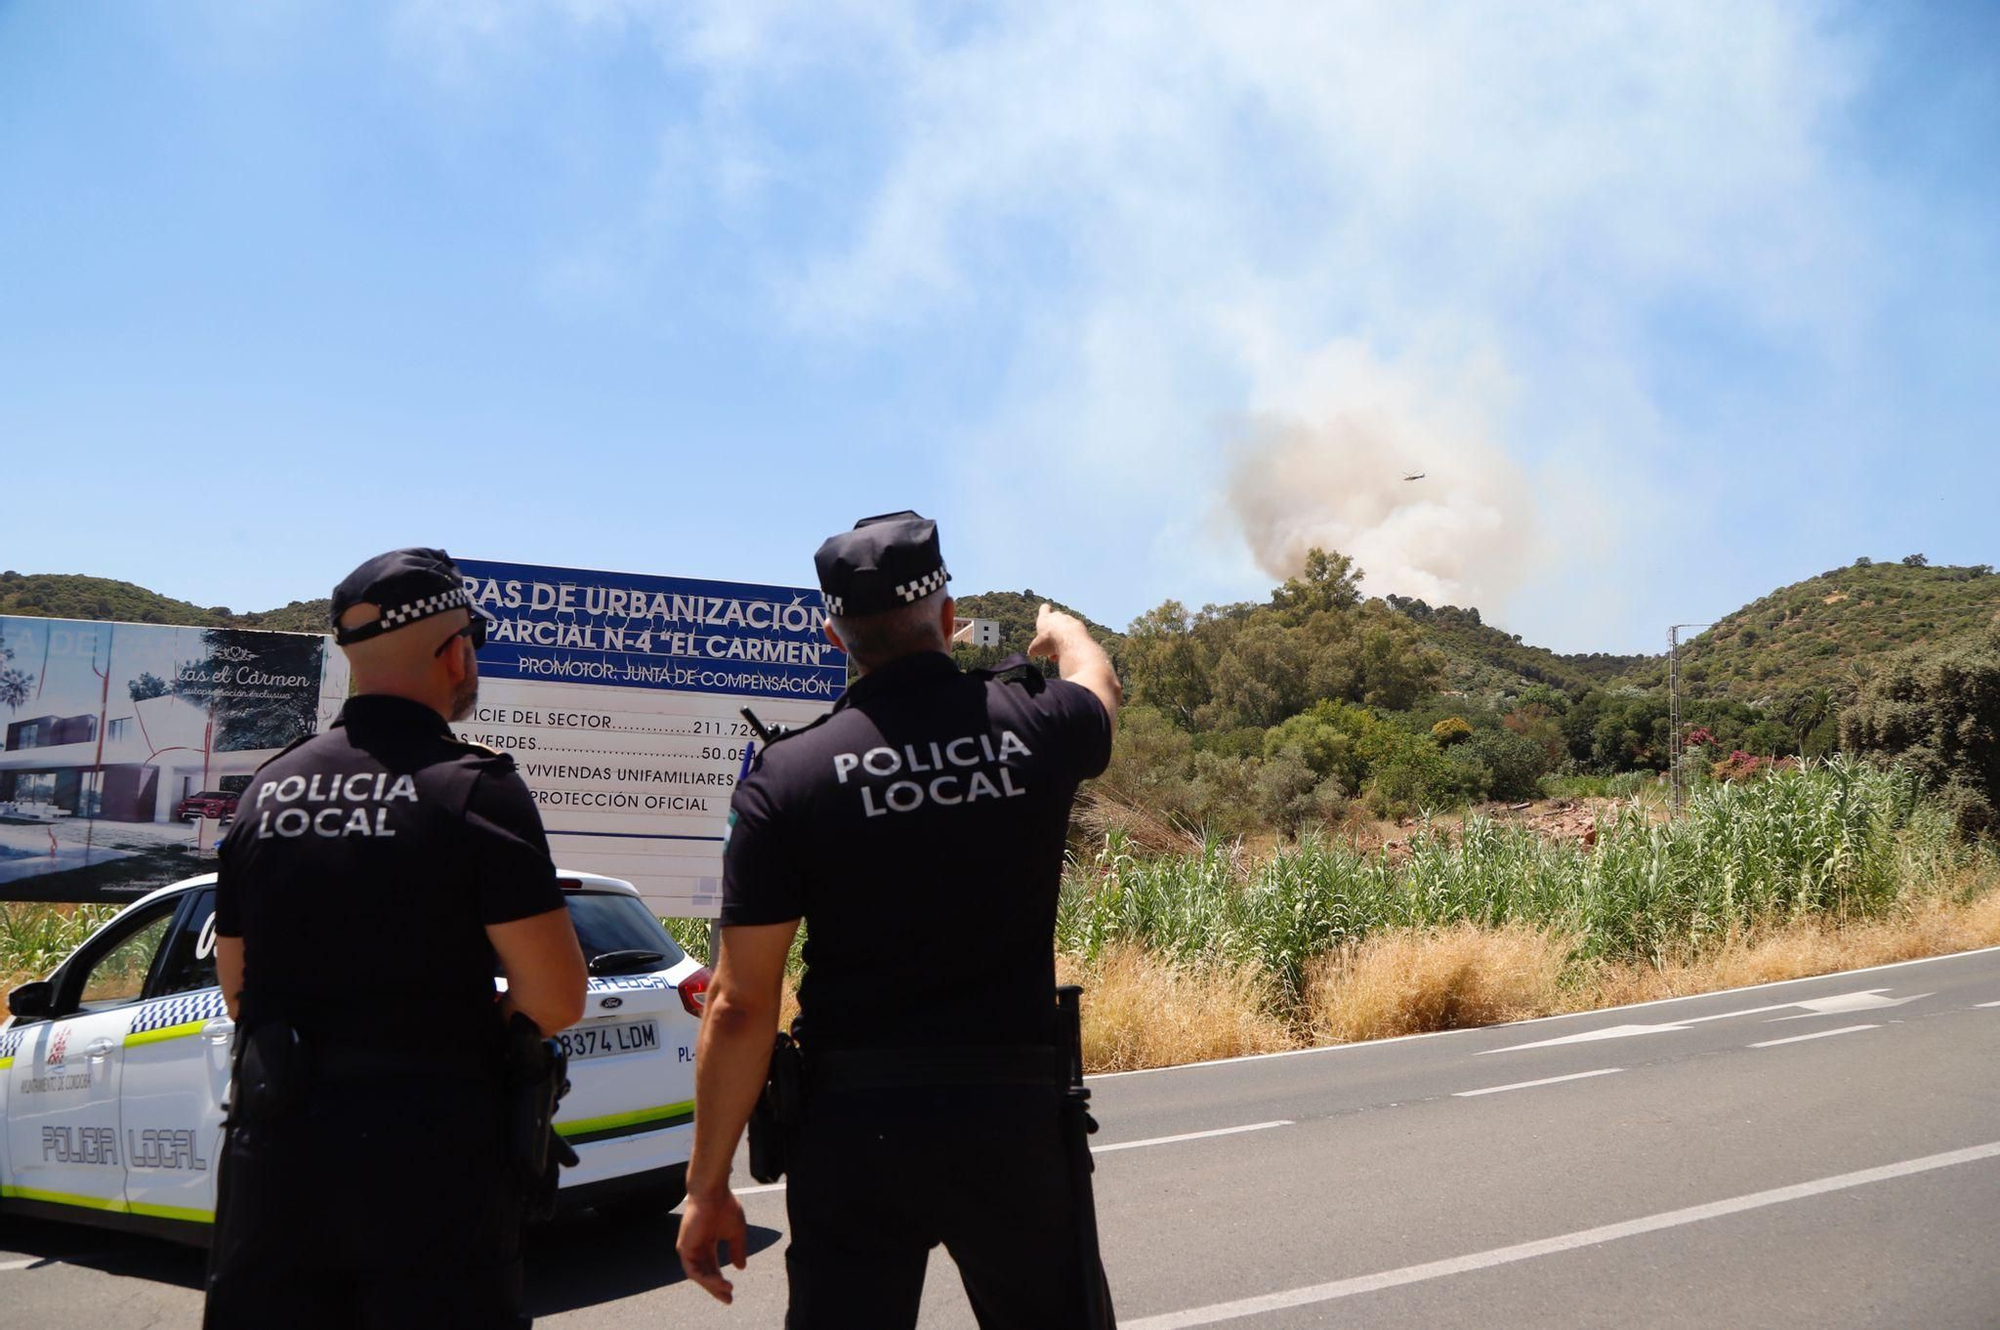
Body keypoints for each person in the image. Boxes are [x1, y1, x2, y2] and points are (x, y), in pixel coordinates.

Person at [675, 511, 1122, 1328]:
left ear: (833, 634)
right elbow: (1099, 689)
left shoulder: (790, 776)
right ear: (948, 619)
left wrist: (707, 1187)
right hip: (1011, 1118)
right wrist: (1065, 634)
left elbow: (740, 1007)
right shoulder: (1037, 724)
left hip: (855, 1132)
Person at [205, 547, 587, 1330]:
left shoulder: (266, 790)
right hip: (432, 1170)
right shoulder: (474, 788)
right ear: (454, 652)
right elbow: (556, 996)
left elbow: (237, 986)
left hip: (274, 1164)